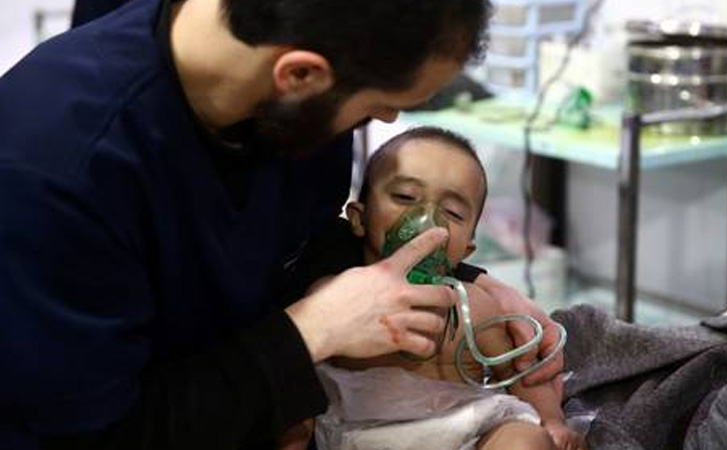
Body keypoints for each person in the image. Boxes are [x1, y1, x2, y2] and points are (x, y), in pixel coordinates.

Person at [0, 0, 562, 449]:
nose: (387, 121)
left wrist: (477, 285)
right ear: (300, 74)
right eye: (378, 107)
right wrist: (308, 331)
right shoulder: (56, 173)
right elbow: (95, 431)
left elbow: (312, 246)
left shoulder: (289, 108)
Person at [286, 127, 586, 450]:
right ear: (359, 218)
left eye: (453, 213)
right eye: (404, 197)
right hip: (364, 438)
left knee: (525, 441)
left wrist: (552, 420)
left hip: (466, 431)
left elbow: (520, 372)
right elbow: (295, 385)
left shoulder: (474, 306)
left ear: (468, 249)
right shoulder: (333, 297)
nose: (427, 219)